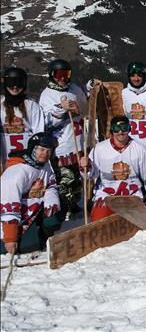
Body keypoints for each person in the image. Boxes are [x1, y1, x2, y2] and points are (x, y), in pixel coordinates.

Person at [81, 116, 146, 222]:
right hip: (107, 195)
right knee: (99, 222)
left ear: (129, 129)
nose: (120, 132)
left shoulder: (139, 149)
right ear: (112, 130)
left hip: (131, 195)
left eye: (124, 128)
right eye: (116, 128)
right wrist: (86, 166)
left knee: (135, 224)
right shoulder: (99, 149)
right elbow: (91, 175)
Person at [38, 59, 88, 221]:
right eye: (59, 75)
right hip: (62, 145)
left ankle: (74, 206)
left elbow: (85, 106)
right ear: (52, 75)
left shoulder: (74, 89)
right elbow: (45, 122)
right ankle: (64, 209)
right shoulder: (47, 95)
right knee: (65, 179)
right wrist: (60, 110)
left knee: (77, 178)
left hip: (78, 140)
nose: (62, 78)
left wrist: (89, 90)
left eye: (66, 74)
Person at [0, 133, 61, 255]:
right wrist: (10, 239)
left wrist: (51, 200)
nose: (45, 154)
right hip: (7, 223)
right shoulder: (16, 172)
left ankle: (41, 240)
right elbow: (8, 207)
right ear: (33, 149)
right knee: (16, 248)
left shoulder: (44, 166)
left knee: (53, 219)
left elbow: (51, 183)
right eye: (41, 149)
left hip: (29, 215)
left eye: (49, 151)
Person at [120, 62, 146, 169]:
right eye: (132, 75)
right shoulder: (124, 94)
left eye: (139, 75)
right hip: (131, 146)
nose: (136, 78)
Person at [1, 67, 45, 164]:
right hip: (5, 159)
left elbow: (39, 133)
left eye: (19, 82)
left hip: (26, 159)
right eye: (11, 82)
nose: (15, 86)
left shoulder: (32, 106)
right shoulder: (1, 105)